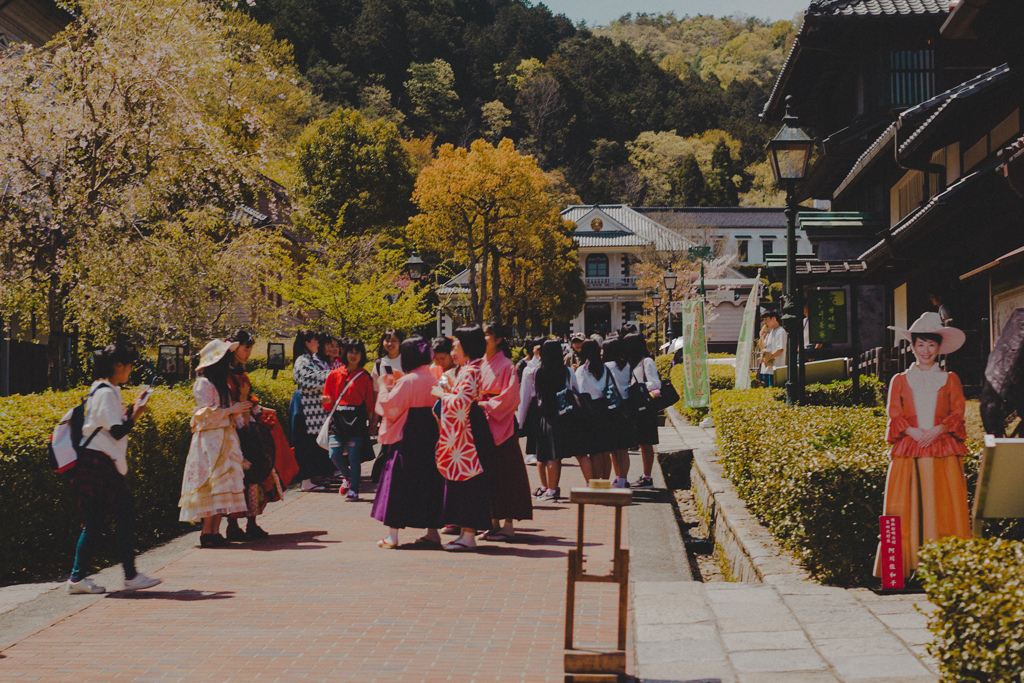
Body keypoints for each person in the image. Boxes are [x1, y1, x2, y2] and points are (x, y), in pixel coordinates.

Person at [874, 312, 970, 580]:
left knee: (944, 503)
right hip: (909, 447)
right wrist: (915, 433)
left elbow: (958, 412)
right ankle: (904, 568)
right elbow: (894, 413)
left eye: (931, 345)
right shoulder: (900, 380)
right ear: (912, 346)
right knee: (902, 505)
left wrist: (937, 430)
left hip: (942, 448)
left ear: (939, 348)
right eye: (920, 344)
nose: (925, 351)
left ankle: (945, 568)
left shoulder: (951, 378)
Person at [67, 343, 161, 594]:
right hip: (100, 463)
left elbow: (113, 424)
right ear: (118, 366)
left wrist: (132, 409)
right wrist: (137, 414)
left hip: (95, 462)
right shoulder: (106, 392)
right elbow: (117, 430)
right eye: (129, 366)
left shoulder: (105, 390)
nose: (130, 371)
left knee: (95, 521)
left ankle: (78, 579)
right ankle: (129, 576)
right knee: (124, 514)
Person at [371, 337, 444, 548]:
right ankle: (432, 531)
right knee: (430, 482)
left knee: (397, 482)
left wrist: (383, 386)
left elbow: (389, 406)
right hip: (430, 435)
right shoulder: (432, 378)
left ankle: (393, 535)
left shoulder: (408, 380)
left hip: (407, 436)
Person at [179, 339, 252, 548]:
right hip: (209, 440)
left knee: (223, 483)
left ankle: (215, 530)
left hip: (225, 438)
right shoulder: (203, 383)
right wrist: (232, 410)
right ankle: (206, 532)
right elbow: (205, 414)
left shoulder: (221, 384)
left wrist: (240, 416)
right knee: (211, 482)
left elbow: (228, 409)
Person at [432, 324, 495, 551]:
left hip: (467, 430)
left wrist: (442, 395)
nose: (453, 349)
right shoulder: (471, 368)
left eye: (456, 344)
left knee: (470, 481)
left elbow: (460, 403)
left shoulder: (470, 370)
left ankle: (468, 534)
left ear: (466, 346)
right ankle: (466, 532)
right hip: (469, 426)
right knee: (469, 480)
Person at [477, 322, 533, 541]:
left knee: (507, 475)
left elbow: (511, 397)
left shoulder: (507, 365)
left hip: (502, 426)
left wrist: (485, 405)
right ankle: (492, 522)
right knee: (488, 475)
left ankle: (508, 524)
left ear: (499, 339)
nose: (484, 339)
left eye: (487, 335)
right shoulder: (479, 363)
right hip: (482, 424)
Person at [224, 330, 281, 541]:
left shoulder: (238, 371)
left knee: (254, 474)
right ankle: (233, 523)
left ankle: (250, 521)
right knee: (238, 475)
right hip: (233, 428)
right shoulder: (224, 373)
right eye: (245, 348)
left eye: (249, 349)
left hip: (247, 426)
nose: (248, 353)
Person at [521, 339, 581, 501]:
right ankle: (554, 488)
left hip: (543, 415)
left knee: (542, 454)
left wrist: (536, 356)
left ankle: (548, 488)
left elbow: (526, 381)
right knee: (556, 456)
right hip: (562, 415)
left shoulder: (535, 372)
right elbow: (575, 389)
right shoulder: (567, 371)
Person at [321, 338, 374, 501]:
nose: (353, 355)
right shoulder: (335, 374)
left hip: (356, 421)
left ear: (362, 355)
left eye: (357, 352)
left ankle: (355, 490)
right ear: (345, 353)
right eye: (350, 351)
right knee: (333, 453)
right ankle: (348, 477)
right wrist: (326, 401)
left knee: (354, 457)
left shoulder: (365, 376)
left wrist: (372, 424)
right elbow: (327, 401)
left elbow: (370, 404)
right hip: (338, 420)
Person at [289, 330, 333, 491]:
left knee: (310, 443)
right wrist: (332, 375)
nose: (318, 343)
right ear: (307, 342)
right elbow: (306, 380)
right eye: (315, 340)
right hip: (303, 408)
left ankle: (311, 478)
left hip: (310, 409)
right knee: (304, 444)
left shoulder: (309, 359)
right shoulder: (302, 360)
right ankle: (305, 481)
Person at [625, 332, 660, 489]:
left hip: (645, 407)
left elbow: (655, 384)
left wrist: (638, 387)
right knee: (641, 442)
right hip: (635, 407)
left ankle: (647, 477)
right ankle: (645, 477)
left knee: (646, 443)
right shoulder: (631, 362)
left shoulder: (647, 362)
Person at [575, 339, 613, 481]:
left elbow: (580, 391)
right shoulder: (605, 369)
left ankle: (596, 484)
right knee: (605, 450)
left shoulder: (582, 370)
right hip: (605, 408)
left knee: (595, 451)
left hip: (589, 409)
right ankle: (606, 481)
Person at [603, 335, 636, 489]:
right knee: (623, 448)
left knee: (613, 448)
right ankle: (622, 479)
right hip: (627, 407)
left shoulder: (606, 367)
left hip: (611, 408)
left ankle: (618, 477)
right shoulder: (628, 366)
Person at [518, 337, 544, 468]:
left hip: (547, 401)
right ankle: (532, 452)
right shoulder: (528, 367)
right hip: (535, 402)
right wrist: (521, 420)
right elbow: (525, 393)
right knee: (534, 427)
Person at [758, 311, 786, 387]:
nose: (765, 323)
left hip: (775, 368)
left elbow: (780, 349)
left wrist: (768, 358)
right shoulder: (770, 333)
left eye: (766, 320)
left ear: (773, 319)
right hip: (766, 369)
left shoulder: (780, 332)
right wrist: (761, 336)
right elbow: (762, 347)